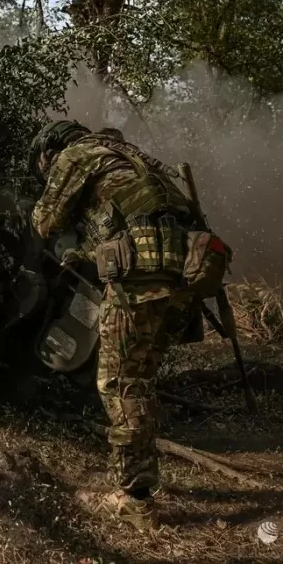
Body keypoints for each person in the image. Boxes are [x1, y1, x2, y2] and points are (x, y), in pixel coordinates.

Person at [28, 120, 195, 531]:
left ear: (51, 150)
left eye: (42, 164)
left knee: (120, 384)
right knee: (139, 381)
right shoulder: (135, 158)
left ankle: (136, 500)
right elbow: (137, 221)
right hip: (178, 277)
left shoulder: (76, 155)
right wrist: (86, 253)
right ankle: (142, 480)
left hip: (138, 278)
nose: (46, 169)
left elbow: (45, 222)